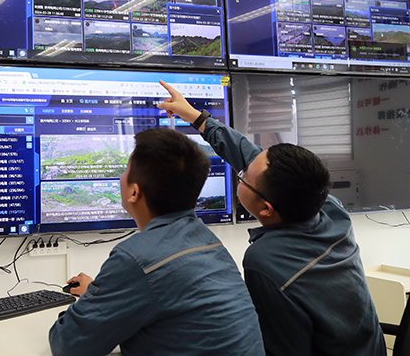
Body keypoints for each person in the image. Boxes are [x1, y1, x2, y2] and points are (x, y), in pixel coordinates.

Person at [157, 80, 386, 356]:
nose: (242, 171)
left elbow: (279, 348)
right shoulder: (332, 211)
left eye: (243, 176)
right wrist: (197, 117)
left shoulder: (265, 262)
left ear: (266, 209)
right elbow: (248, 154)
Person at [48, 128, 265, 356]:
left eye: (125, 170)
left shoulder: (136, 258)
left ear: (134, 192)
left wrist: (93, 301)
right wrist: (104, 295)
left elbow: (68, 345)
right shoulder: (209, 242)